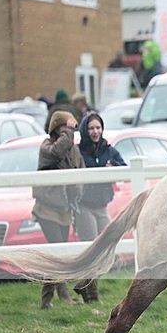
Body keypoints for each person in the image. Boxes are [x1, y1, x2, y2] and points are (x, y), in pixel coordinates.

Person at [31, 111, 85, 308]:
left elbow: (81, 171)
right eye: (65, 129)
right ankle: (64, 297)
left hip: (64, 210)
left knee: (56, 254)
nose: (69, 134)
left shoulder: (73, 149)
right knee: (59, 253)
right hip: (46, 210)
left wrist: (77, 192)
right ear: (56, 128)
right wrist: (68, 131)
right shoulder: (47, 147)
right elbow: (57, 153)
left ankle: (46, 301)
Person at [73, 112, 126, 303]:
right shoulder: (78, 150)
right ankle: (92, 296)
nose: (95, 132)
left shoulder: (108, 149)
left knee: (106, 247)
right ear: (85, 131)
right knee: (91, 248)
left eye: (98, 128)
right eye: (91, 128)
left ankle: (82, 284)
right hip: (84, 206)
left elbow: (124, 167)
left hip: (102, 206)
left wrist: (113, 169)